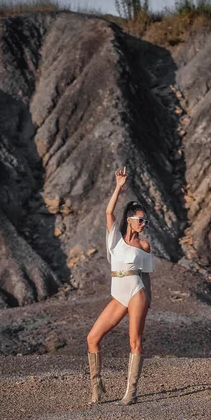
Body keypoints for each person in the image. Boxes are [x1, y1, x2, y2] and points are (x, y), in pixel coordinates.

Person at [86, 167, 153, 405]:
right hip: (118, 295)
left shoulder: (144, 246)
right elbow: (108, 211)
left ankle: (131, 392)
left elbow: (145, 276)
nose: (144, 223)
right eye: (140, 219)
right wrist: (118, 187)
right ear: (130, 219)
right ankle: (97, 388)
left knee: (135, 340)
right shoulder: (115, 237)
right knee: (93, 337)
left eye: (145, 220)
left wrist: (149, 300)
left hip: (136, 293)